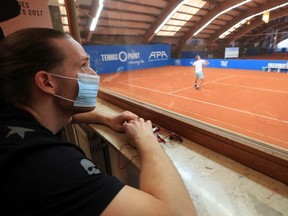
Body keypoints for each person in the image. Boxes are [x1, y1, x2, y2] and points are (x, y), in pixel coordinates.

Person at [0, 28, 197, 216]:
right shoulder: (47, 165)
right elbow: (179, 213)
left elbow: (62, 114)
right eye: (83, 66)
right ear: (47, 82)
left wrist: (105, 118)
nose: (94, 74)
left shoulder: (11, 113)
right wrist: (146, 139)